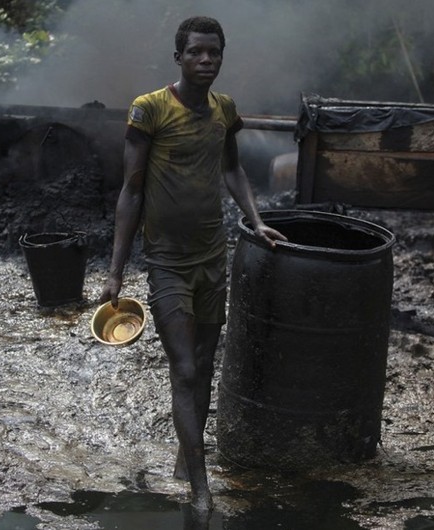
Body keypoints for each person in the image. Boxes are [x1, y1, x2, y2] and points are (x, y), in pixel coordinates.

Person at [99, 16, 286, 512]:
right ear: (178, 57)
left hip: (212, 256)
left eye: (214, 53)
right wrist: (116, 270)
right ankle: (201, 490)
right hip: (166, 263)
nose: (206, 61)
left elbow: (231, 168)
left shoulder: (224, 110)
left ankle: (188, 458)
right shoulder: (150, 110)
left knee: (203, 363)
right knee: (183, 367)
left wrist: (257, 220)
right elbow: (130, 191)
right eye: (196, 53)